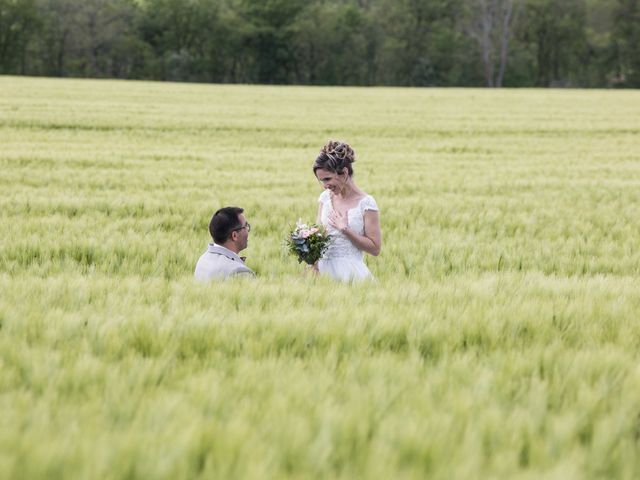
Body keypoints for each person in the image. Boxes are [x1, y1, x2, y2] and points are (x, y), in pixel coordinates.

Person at [313, 140, 381, 281]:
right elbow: (317, 235)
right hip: (322, 275)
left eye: (328, 179)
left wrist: (345, 229)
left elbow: (375, 248)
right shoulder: (325, 198)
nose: (325, 186)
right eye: (321, 181)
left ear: (344, 173)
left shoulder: (366, 204)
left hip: (351, 276)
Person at [194, 206, 255, 280]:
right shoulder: (240, 273)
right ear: (234, 235)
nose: (248, 230)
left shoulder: (202, 260)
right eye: (245, 226)